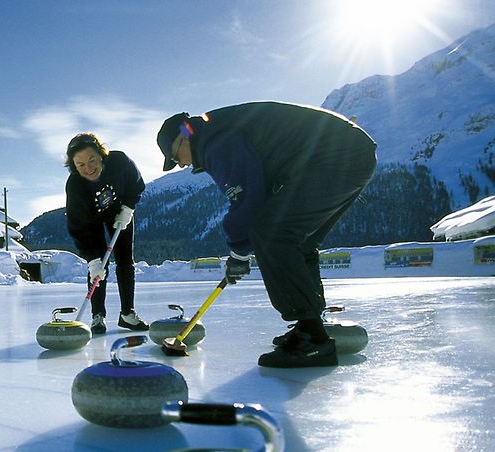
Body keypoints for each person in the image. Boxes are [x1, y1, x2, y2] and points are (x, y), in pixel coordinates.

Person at [156, 101, 377, 368]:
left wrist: (238, 252)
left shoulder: (215, 142)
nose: (181, 165)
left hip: (335, 159)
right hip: (349, 155)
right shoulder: (215, 131)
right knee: (298, 242)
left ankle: (313, 340)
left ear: (183, 138)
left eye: (175, 159)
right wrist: (240, 249)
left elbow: (248, 200)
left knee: (272, 233)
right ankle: (310, 327)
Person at [64, 132, 150, 334]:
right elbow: (77, 226)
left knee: (125, 260)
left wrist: (128, 207)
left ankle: (127, 313)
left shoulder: (119, 162)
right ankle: (98, 316)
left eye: (92, 160)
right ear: (74, 166)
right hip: (91, 221)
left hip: (119, 212)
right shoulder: (75, 186)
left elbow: (136, 183)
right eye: (80, 164)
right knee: (99, 265)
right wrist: (92, 259)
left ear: (101, 154)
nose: (88, 168)